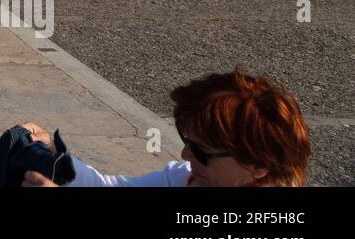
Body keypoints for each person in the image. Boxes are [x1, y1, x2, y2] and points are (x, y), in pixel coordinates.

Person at [16, 70, 310, 187]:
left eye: (200, 150)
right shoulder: (188, 179)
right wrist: (60, 159)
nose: (184, 154)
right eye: (186, 140)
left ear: (259, 165)